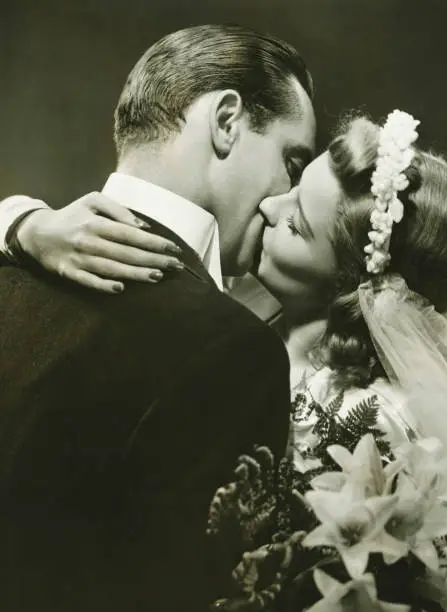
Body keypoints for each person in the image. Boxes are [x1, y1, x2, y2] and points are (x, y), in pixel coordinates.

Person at [5, 110, 447, 527]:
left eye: (296, 222)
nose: (267, 205)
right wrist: (23, 222)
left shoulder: (380, 424)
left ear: (353, 288)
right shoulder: (228, 308)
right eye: (294, 185)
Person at [0, 24, 316, 612]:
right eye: (291, 162)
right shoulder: (233, 349)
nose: (282, 202)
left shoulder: (14, 258)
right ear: (226, 122)